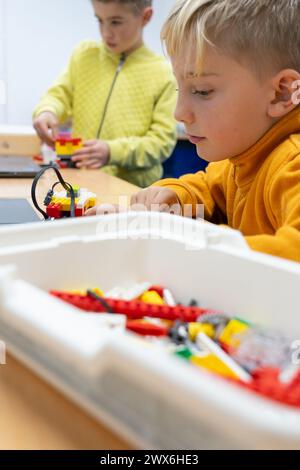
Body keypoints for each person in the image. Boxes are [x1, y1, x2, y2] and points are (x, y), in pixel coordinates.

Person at [88, 0, 300, 263]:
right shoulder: (240, 159)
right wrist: (175, 197)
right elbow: (208, 190)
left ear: (282, 92)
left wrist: (181, 240)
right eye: (180, 88)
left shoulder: (293, 163)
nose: (179, 113)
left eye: (202, 91)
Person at [33, 0, 177, 187]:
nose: (106, 33)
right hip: (79, 181)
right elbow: (58, 94)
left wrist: (112, 152)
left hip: (131, 192)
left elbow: (161, 143)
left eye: (115, 22)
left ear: (145, 17)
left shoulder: (163, 73)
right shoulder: (84, 55)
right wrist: (47, 111)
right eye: (100, 20)